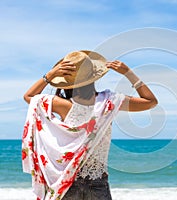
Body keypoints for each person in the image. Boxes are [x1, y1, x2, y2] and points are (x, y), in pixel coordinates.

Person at [22, 50, 157, 200]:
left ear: (66, 82)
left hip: (66, 182)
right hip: (97, 183)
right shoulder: (109, 102)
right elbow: (151, 101)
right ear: (93, 77)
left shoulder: (63, 104)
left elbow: (29, 96)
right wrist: (129, 73)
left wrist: (50, 75)